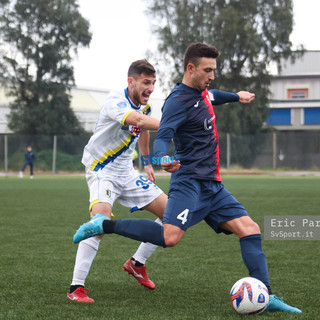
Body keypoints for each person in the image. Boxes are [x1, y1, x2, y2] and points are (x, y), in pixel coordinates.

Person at [73, 43, 302, 313]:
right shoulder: (172, 102)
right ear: (190, 68)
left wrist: (235, 96)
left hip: (210, 186)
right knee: (168, 236)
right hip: (137, 175)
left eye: (214, 70)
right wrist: (162, 156)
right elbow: (162, 132)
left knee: (250, 229)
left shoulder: (199, 94)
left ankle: (267, 294)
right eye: (207, 70)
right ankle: (92, 252)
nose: (212, 75)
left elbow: (210, 97)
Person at [67, 59, 168, 303]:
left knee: (173, 214)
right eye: (146, 82)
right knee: (99, 223)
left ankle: (137, 263)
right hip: (102, 170)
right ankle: (75, 288)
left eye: (153, 83)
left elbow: (143, 128)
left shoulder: (146, 107)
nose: (150, 88)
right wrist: (176, 127)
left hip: (128, 173)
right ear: (130, 81)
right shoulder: (116, 101)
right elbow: (139, 122)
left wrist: (146, 162)